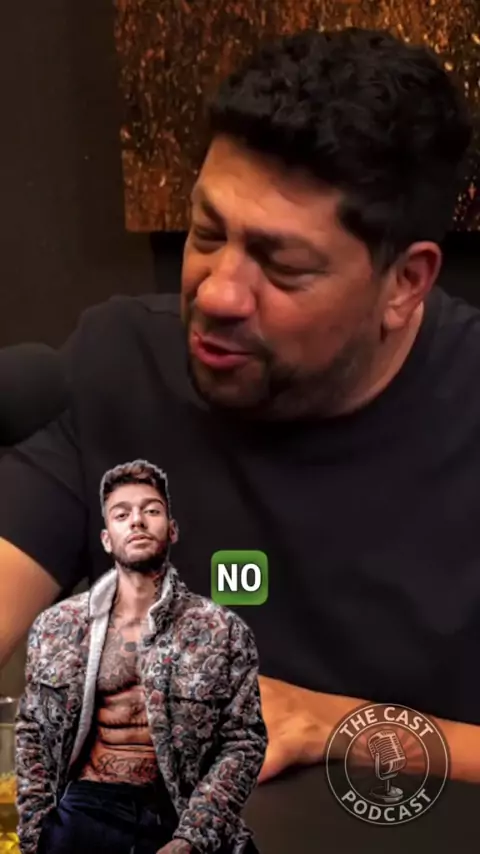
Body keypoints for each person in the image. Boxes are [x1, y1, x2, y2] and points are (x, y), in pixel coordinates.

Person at [1, 25, 480, 786]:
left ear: (405, 283)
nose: (218, 293)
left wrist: (334, 726)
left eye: (282, 266)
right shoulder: (121, 365)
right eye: (206, 233)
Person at [15, 459, 267, 854]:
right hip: (87, 808)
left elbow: (244, 740)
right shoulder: (58, 626)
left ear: (172, 529)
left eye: (151, 510)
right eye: (122, 514)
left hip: (181, 805)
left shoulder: (222, 629)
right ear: (106, 539)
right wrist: (37, 833)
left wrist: (192, 836)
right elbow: (32, 730)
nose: (137, 520)